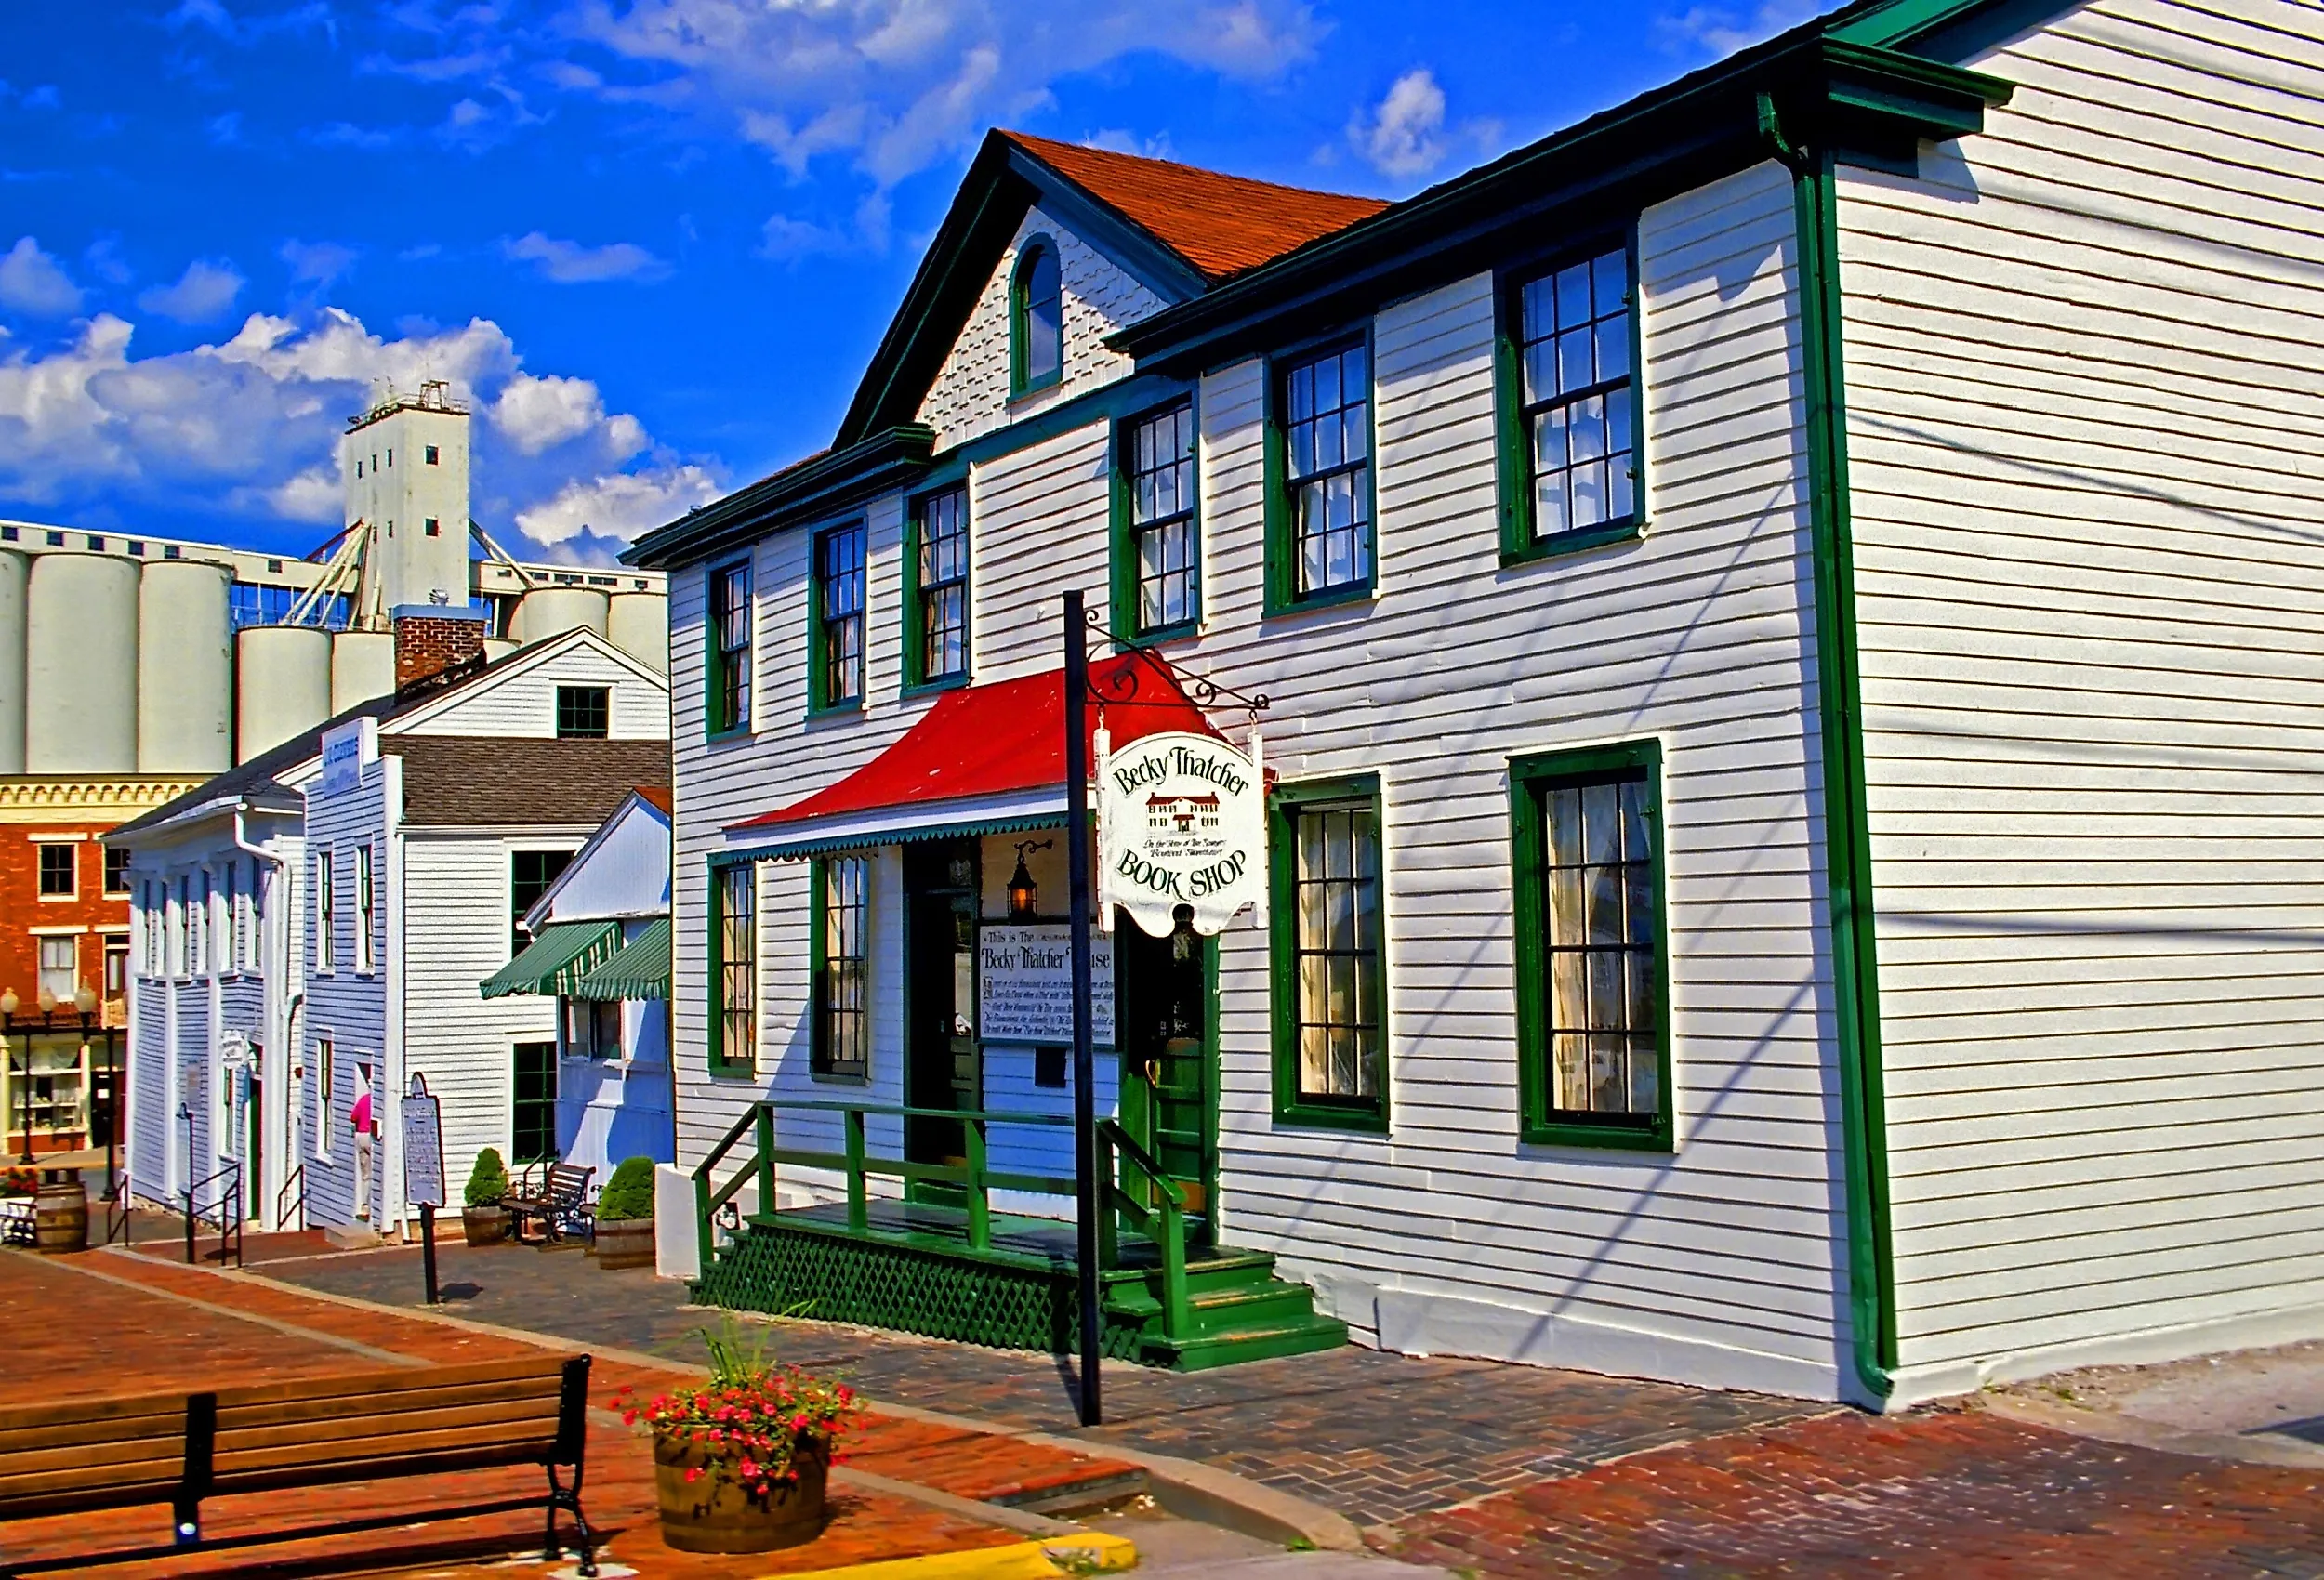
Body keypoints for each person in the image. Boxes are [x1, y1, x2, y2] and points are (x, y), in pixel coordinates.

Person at [351, 1075, 375, 1220]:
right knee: (376, 1171)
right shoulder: (378, 1101)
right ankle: (373, 1205)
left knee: (366, 1174)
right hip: (372, 1136)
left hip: (361, 1135)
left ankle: (365, 1206)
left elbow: (353, 1117)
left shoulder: (364, 1099)